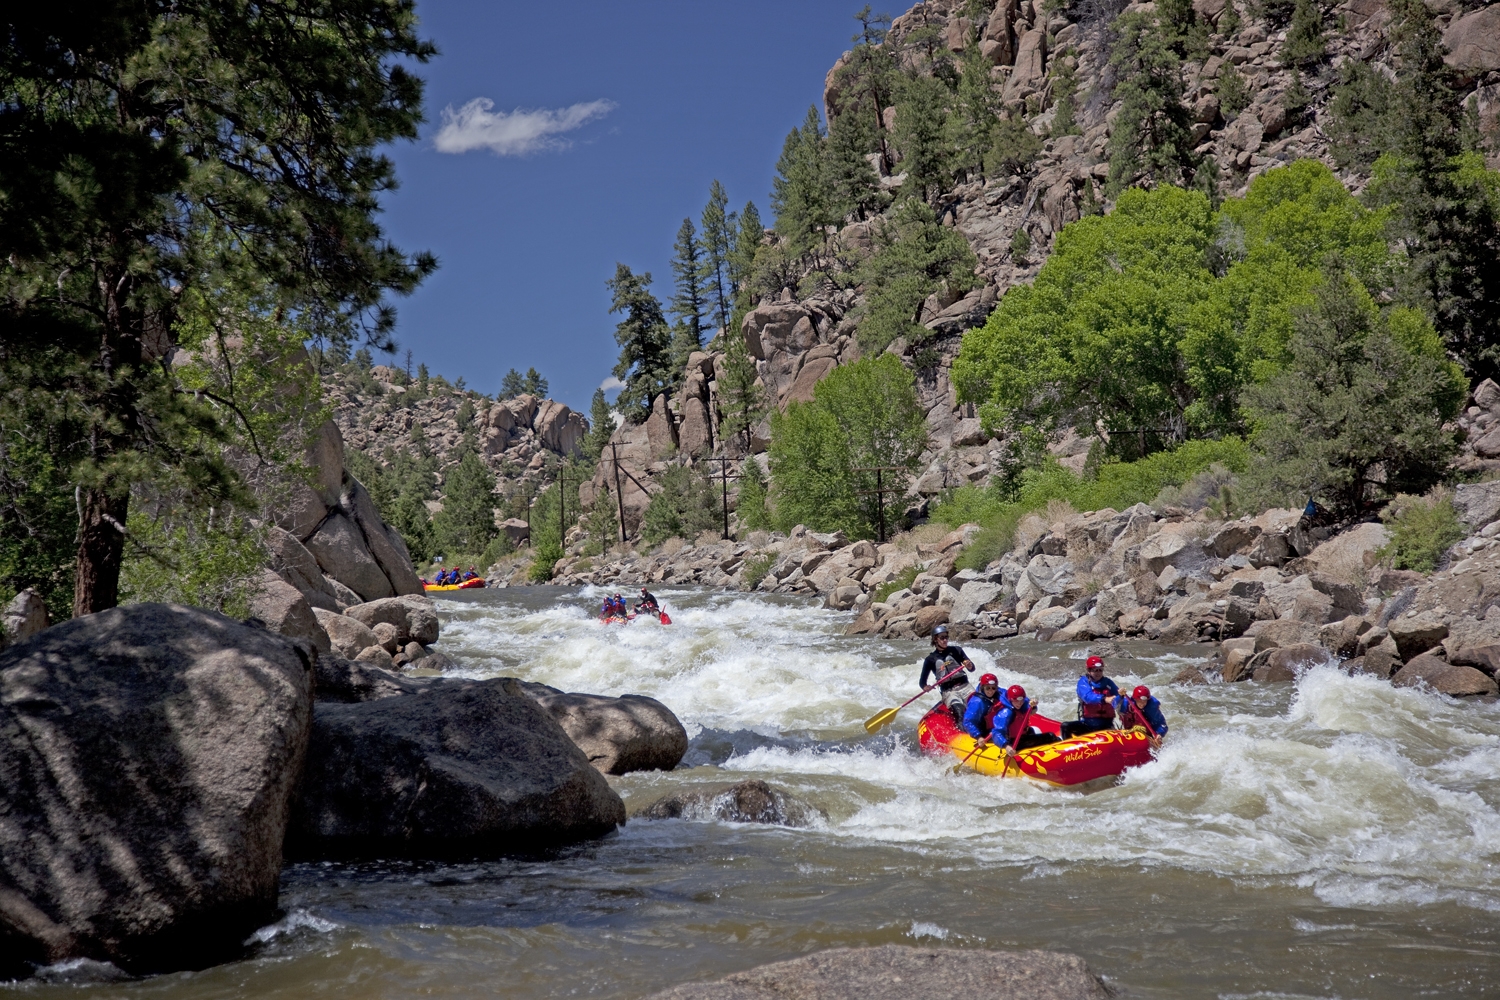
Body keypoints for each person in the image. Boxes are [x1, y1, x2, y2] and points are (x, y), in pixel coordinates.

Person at [919, 624, 975, 716]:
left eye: (946, 637)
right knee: (959, 711)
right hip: (949, 691)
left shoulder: (957, 650)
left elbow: (972, 668)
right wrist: (925, 687)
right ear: (935, 639)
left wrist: (969, 665)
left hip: (965, 686)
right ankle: (962, 730)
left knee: (977, 706)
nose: (945, 640)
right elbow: (922, 682)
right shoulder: (930, 659)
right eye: (942, 638)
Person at [1062, 655, 1120, 739]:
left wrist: (1121, 696)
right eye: (1095, 670)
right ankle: (1067, 748)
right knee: (1065, 726)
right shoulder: (1083, 682)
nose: (1098, 673)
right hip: (1088, 725)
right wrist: (1104, 699)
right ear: (1089, 671)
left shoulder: (1108, 682)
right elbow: (1087, 697)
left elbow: (1118, 698)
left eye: (1100, 670)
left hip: (1106, 724)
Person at [988, 684, 1032, 750]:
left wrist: (1033, 705)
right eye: (1016, 700)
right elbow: (996, 732)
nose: (1019, 703)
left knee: (1032, 730)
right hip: (1011, 741)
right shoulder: (1006, 713)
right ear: (1010, 699)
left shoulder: (1022, 703)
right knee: (1050, 736)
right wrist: (1006, 746)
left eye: (1021, 700)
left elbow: (1029, 706)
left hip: (1021, 736)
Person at [960, 674, 1002, 740]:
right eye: (988, 688)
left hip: (994, 727)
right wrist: (978, 737)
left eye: (993, 688)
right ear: (983, 687)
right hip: (982, 731)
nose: (991, 691)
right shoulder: (977, 702)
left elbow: (1006, 693)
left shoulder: (997, 692)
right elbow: (967, 721)